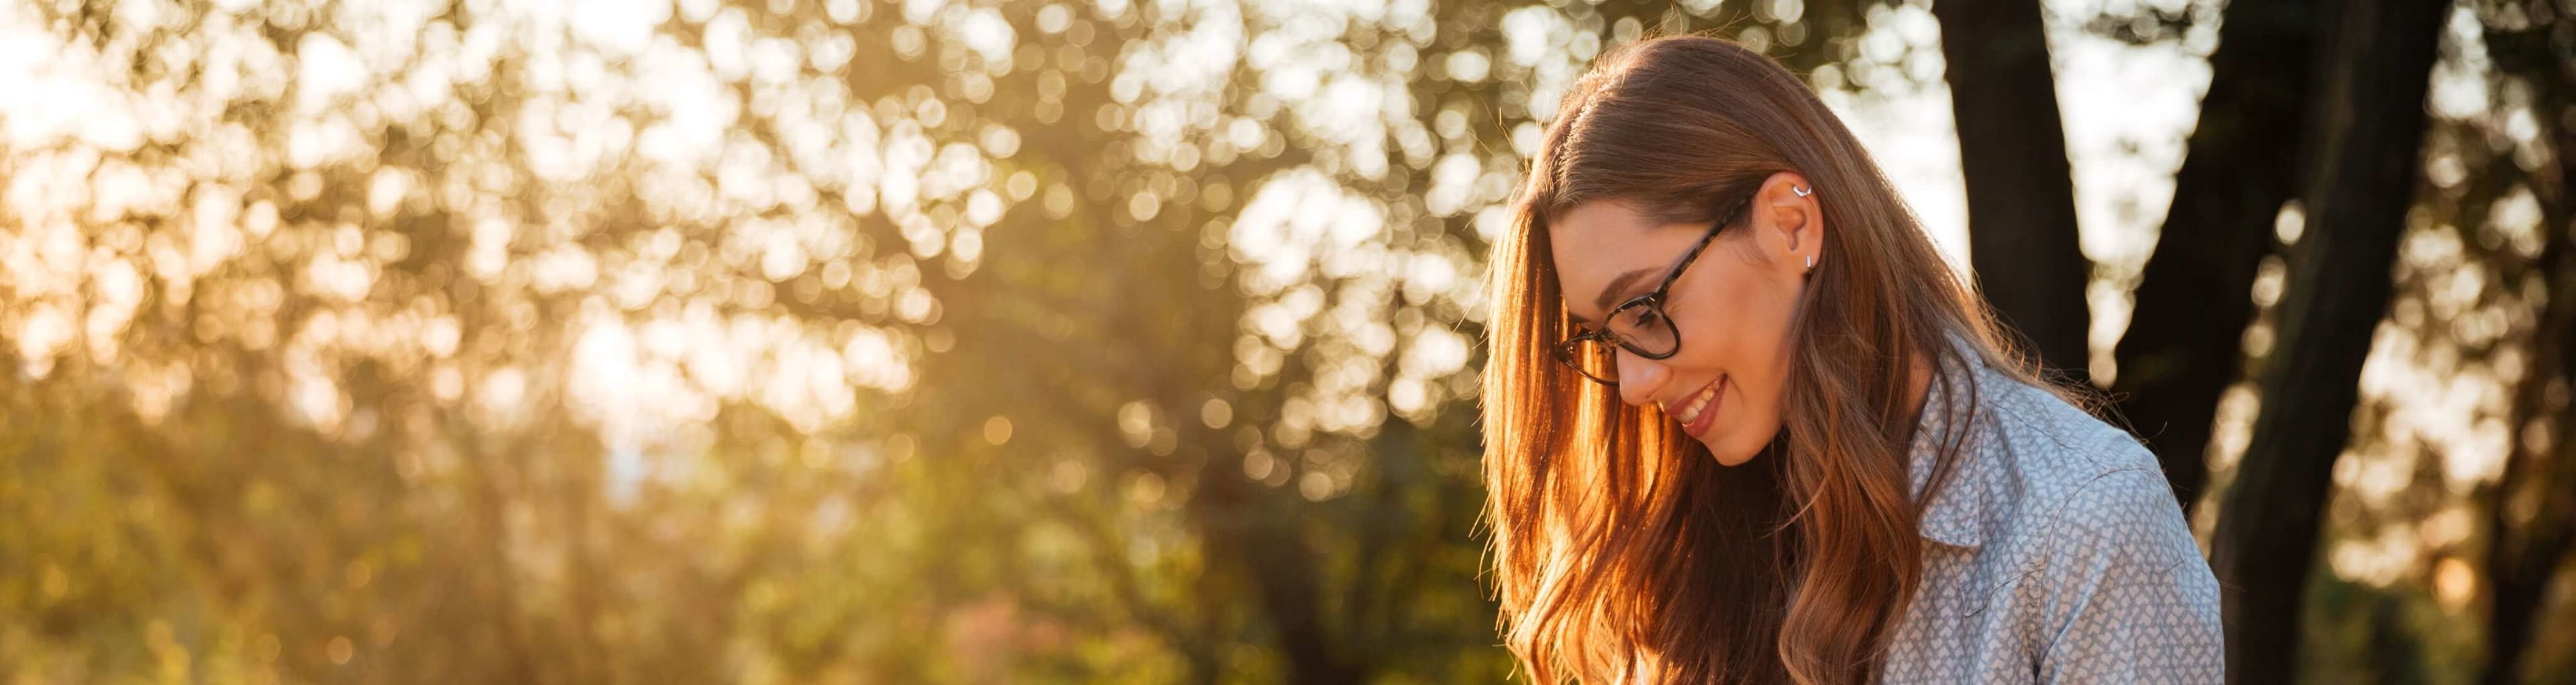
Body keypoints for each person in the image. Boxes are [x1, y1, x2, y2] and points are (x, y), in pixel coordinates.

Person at [1479, 34, 2222, 685]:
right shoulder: (1695, 542)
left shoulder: (2083, 521)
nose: (1634, 383)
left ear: (1789, 224)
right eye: (1603, 338)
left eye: (1644, 308)